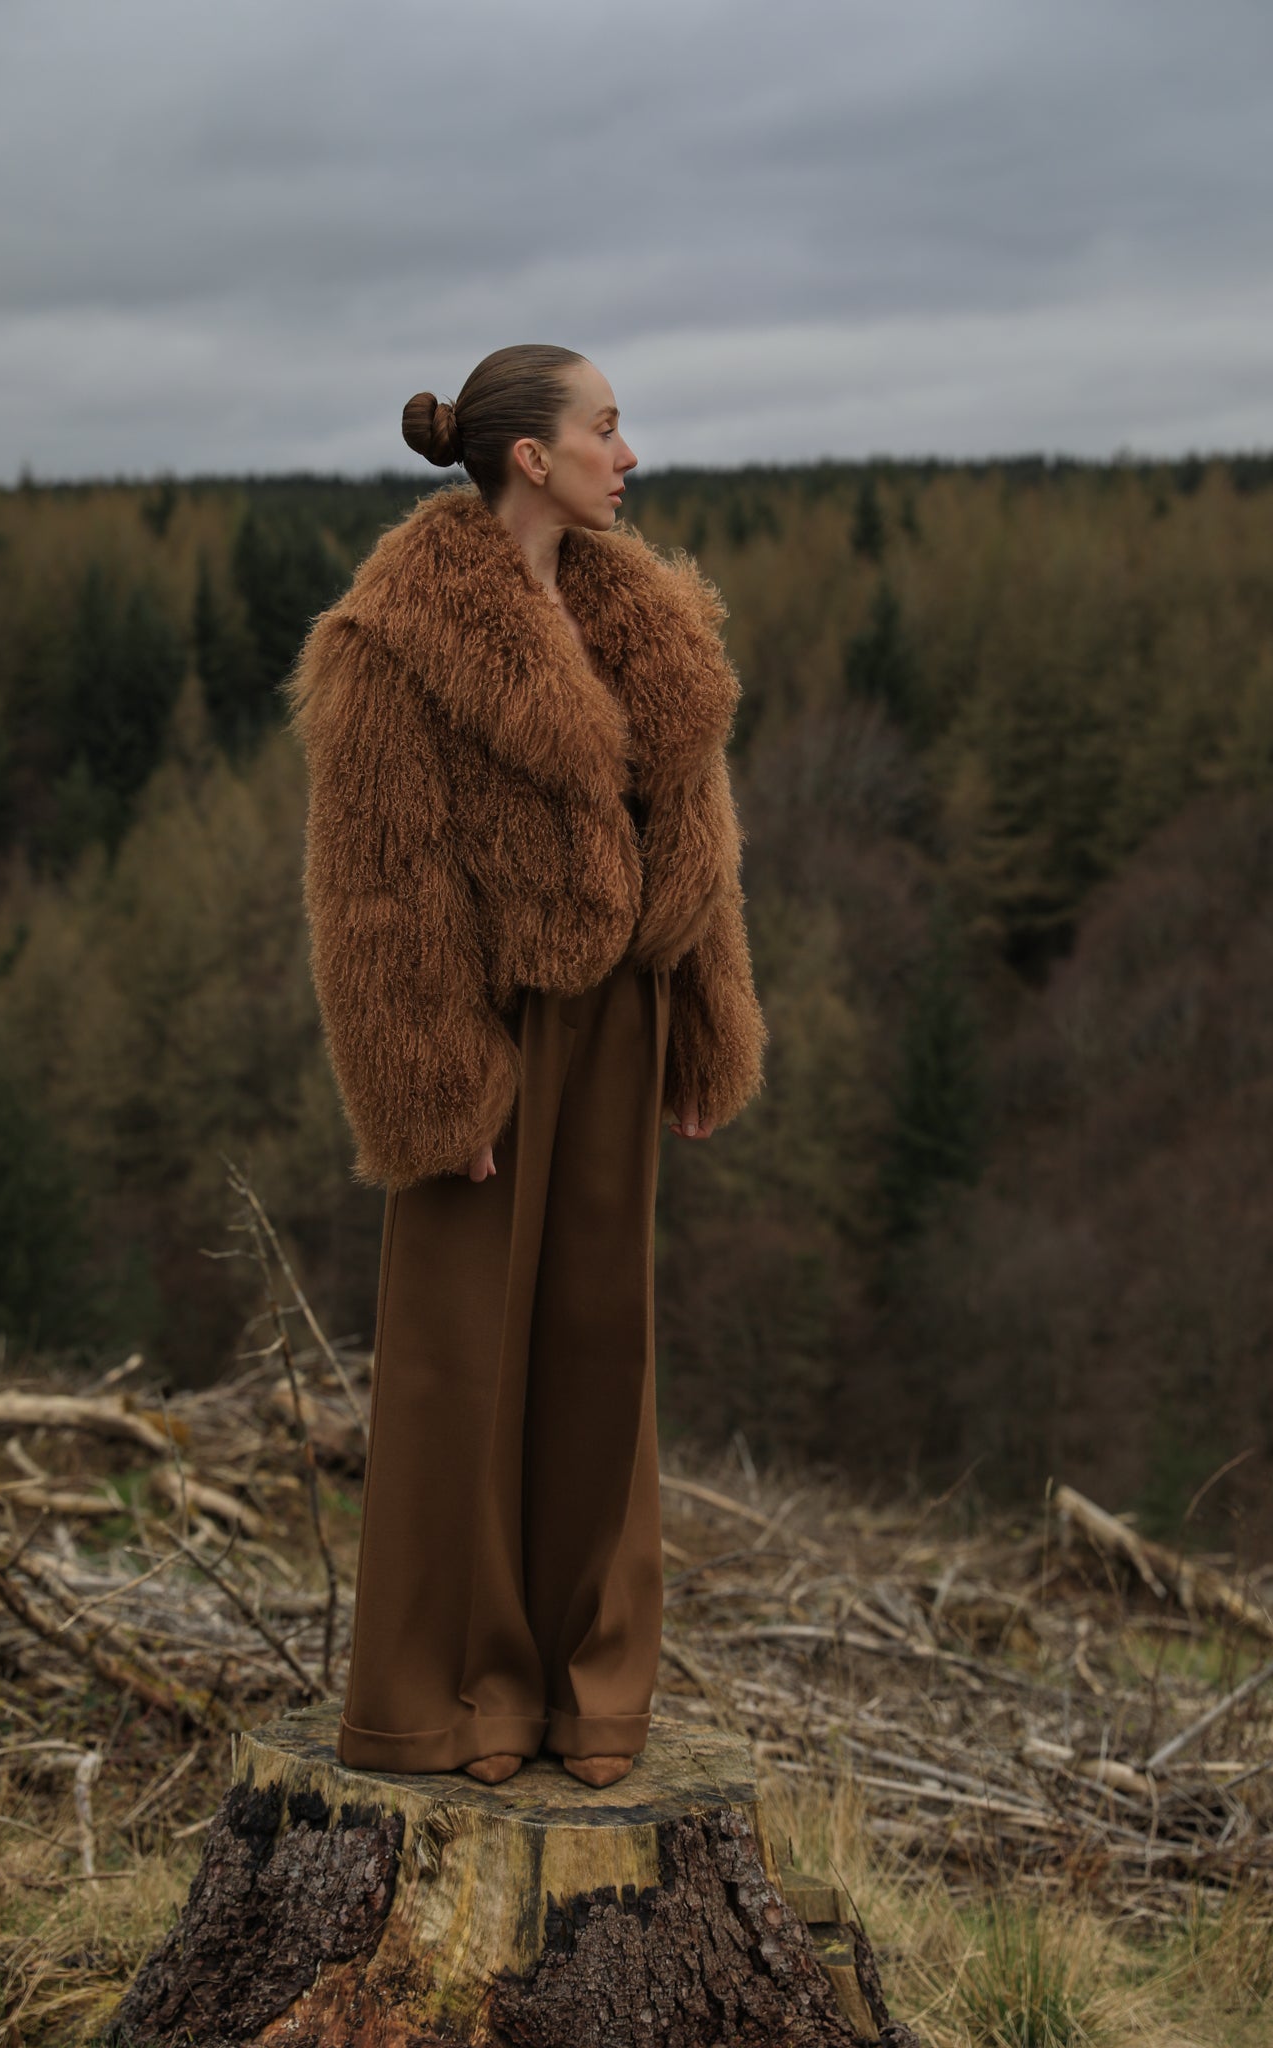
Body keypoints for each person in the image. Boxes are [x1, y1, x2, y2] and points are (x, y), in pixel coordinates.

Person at [287, 343, 767, 1790]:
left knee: (597, 1356)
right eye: (605, 429)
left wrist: (703, 1018)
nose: (629, 456)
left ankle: (587, 1697)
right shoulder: (389, 639)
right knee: (457, 1366)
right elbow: (374, 886)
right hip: (481, 1038)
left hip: (620, 1022)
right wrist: (432, 1088)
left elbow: (704, 846)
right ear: (527, 458)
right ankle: (451, 1702)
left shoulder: (653, 622)